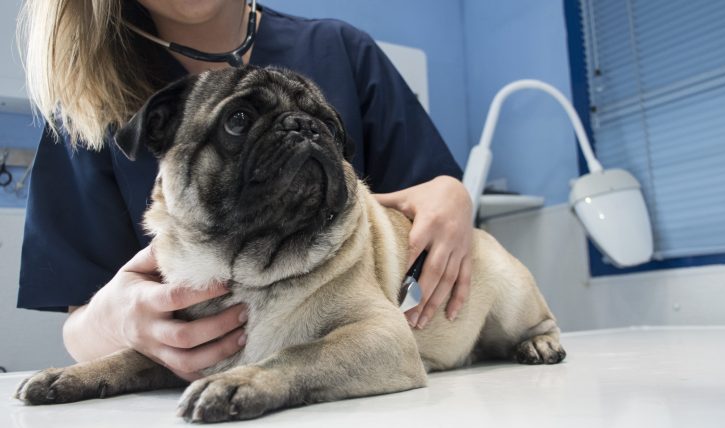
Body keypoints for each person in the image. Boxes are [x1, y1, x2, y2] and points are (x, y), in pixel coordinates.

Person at [17, 0, 473, 381]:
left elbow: (422, 209)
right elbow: (80, 322)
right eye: (238, 123)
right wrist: (110, 322)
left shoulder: (342, 51)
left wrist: (451, 193)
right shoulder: (87, 105)